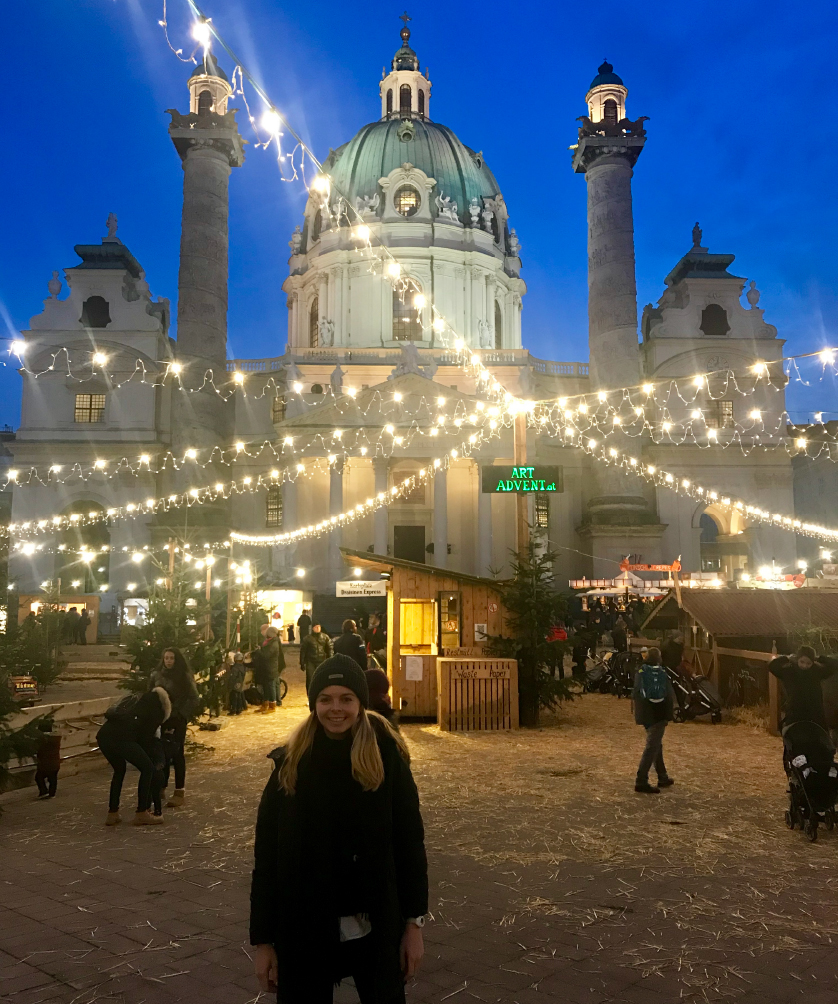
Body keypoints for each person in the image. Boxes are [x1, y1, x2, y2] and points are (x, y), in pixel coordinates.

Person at [250, 654, 428, 1003]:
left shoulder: (385, 758)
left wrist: (413, 924)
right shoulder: (291, 764)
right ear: (313, 704)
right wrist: (263, 940)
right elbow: (268, 857)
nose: (336, 709)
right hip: (305, 924)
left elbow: (409, 844)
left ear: (360, 703)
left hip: (376, 920)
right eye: (325, 699)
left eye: (346, 699)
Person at [96, 687, 171, 825]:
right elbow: (145, 739)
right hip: (123, 738)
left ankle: (113, 813)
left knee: (119, 770)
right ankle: (142, 812)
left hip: (104, 736)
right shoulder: (156, 710)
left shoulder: (137, 701)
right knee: (147, 768)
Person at [152, 647, 199, 808]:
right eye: (166, 658)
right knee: (162, 753)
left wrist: (180, 714)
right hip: (160, 719)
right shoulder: (156, 675)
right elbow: (150, 694)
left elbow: (194, 698)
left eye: (171, 658)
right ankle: (161, 787)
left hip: (177, 720)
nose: (169, 661)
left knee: (177, 754)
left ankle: (179, 790)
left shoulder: (183, 677)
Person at [632, 647, 676, 794]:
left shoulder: (641, 671)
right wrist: (670, 714)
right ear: (659, 658)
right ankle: (641, 780)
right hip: (659, 713)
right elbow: (669, 695)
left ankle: (662, 776)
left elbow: (636, 692)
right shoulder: (662, 673)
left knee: (656, 744)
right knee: (652, 746)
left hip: (645, 713)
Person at [769, 646, 838, 729]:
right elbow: (772, 666)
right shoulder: (790, 671)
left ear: (813, 662)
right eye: (802, 662)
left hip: (814, 712)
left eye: (808, 663)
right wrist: (787, 658)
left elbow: (835, 665)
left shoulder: (817, 672)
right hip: (795, 711)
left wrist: (819, 658)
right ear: (797, 659)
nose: (805, 666)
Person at [251, 625, 285, 713]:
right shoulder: (268, 641)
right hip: (265, 668)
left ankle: (272, 705)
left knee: (271, 687)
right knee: (266, 687)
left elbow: (266, 655)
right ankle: (265, 704)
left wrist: (259, 651)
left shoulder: (274, 643)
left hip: (271, 668)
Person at [300, 623, 334, 690]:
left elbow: (330, 648)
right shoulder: (307, 639)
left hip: (322, 661)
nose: (318, 628)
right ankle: (310, 695)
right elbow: (303, 651)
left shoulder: (325, 637)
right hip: (311, 662)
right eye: (316, 627)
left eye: (319, 627)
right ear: (313, 628)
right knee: (310, 680)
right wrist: (302, 662)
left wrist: (331, 659)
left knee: (322, 679)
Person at [34, 720, 61, 799]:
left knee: (39, 777)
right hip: (55, 762)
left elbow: (37, 748)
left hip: (45, 763)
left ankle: (43, 791)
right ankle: (52, 793)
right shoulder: (56, 738)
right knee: (53, 779)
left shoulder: (42, 740)